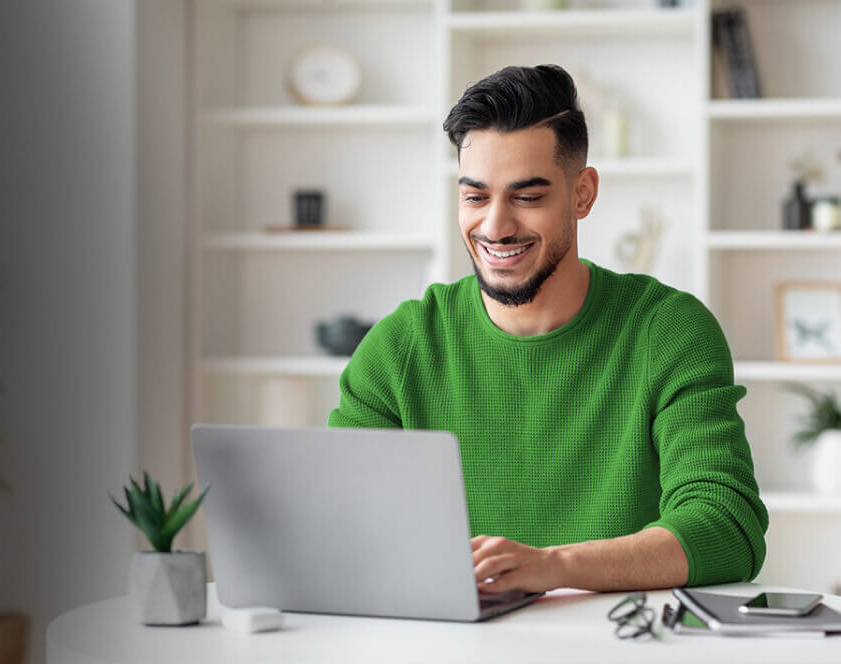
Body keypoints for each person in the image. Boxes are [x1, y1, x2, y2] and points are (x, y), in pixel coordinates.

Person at [327, 64, 767, 594]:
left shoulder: (668, 331)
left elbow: (727, 527)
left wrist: (555, 567)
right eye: (475, 196)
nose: (494, 226)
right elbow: (335, 522)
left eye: (527, 197)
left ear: (582, 194)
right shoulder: (402, 346)